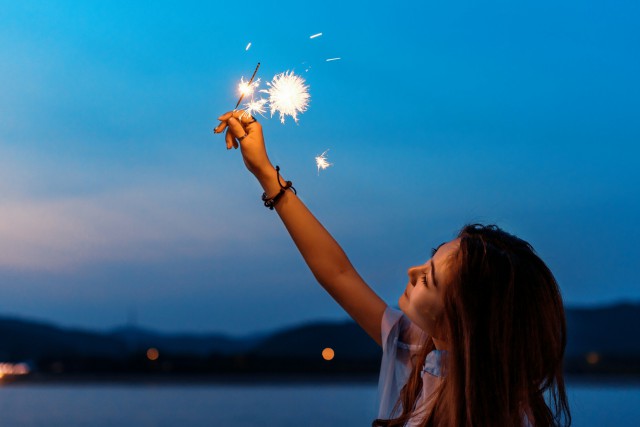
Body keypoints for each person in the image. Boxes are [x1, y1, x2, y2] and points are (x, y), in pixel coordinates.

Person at [214, 111, 571, 427]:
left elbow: (338, 275)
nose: (412, 271)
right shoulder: (422, 350)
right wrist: (265, 173)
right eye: (429, 260)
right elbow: (337, 274)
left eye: (429, 278)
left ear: (465, 319)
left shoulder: (504, 413)